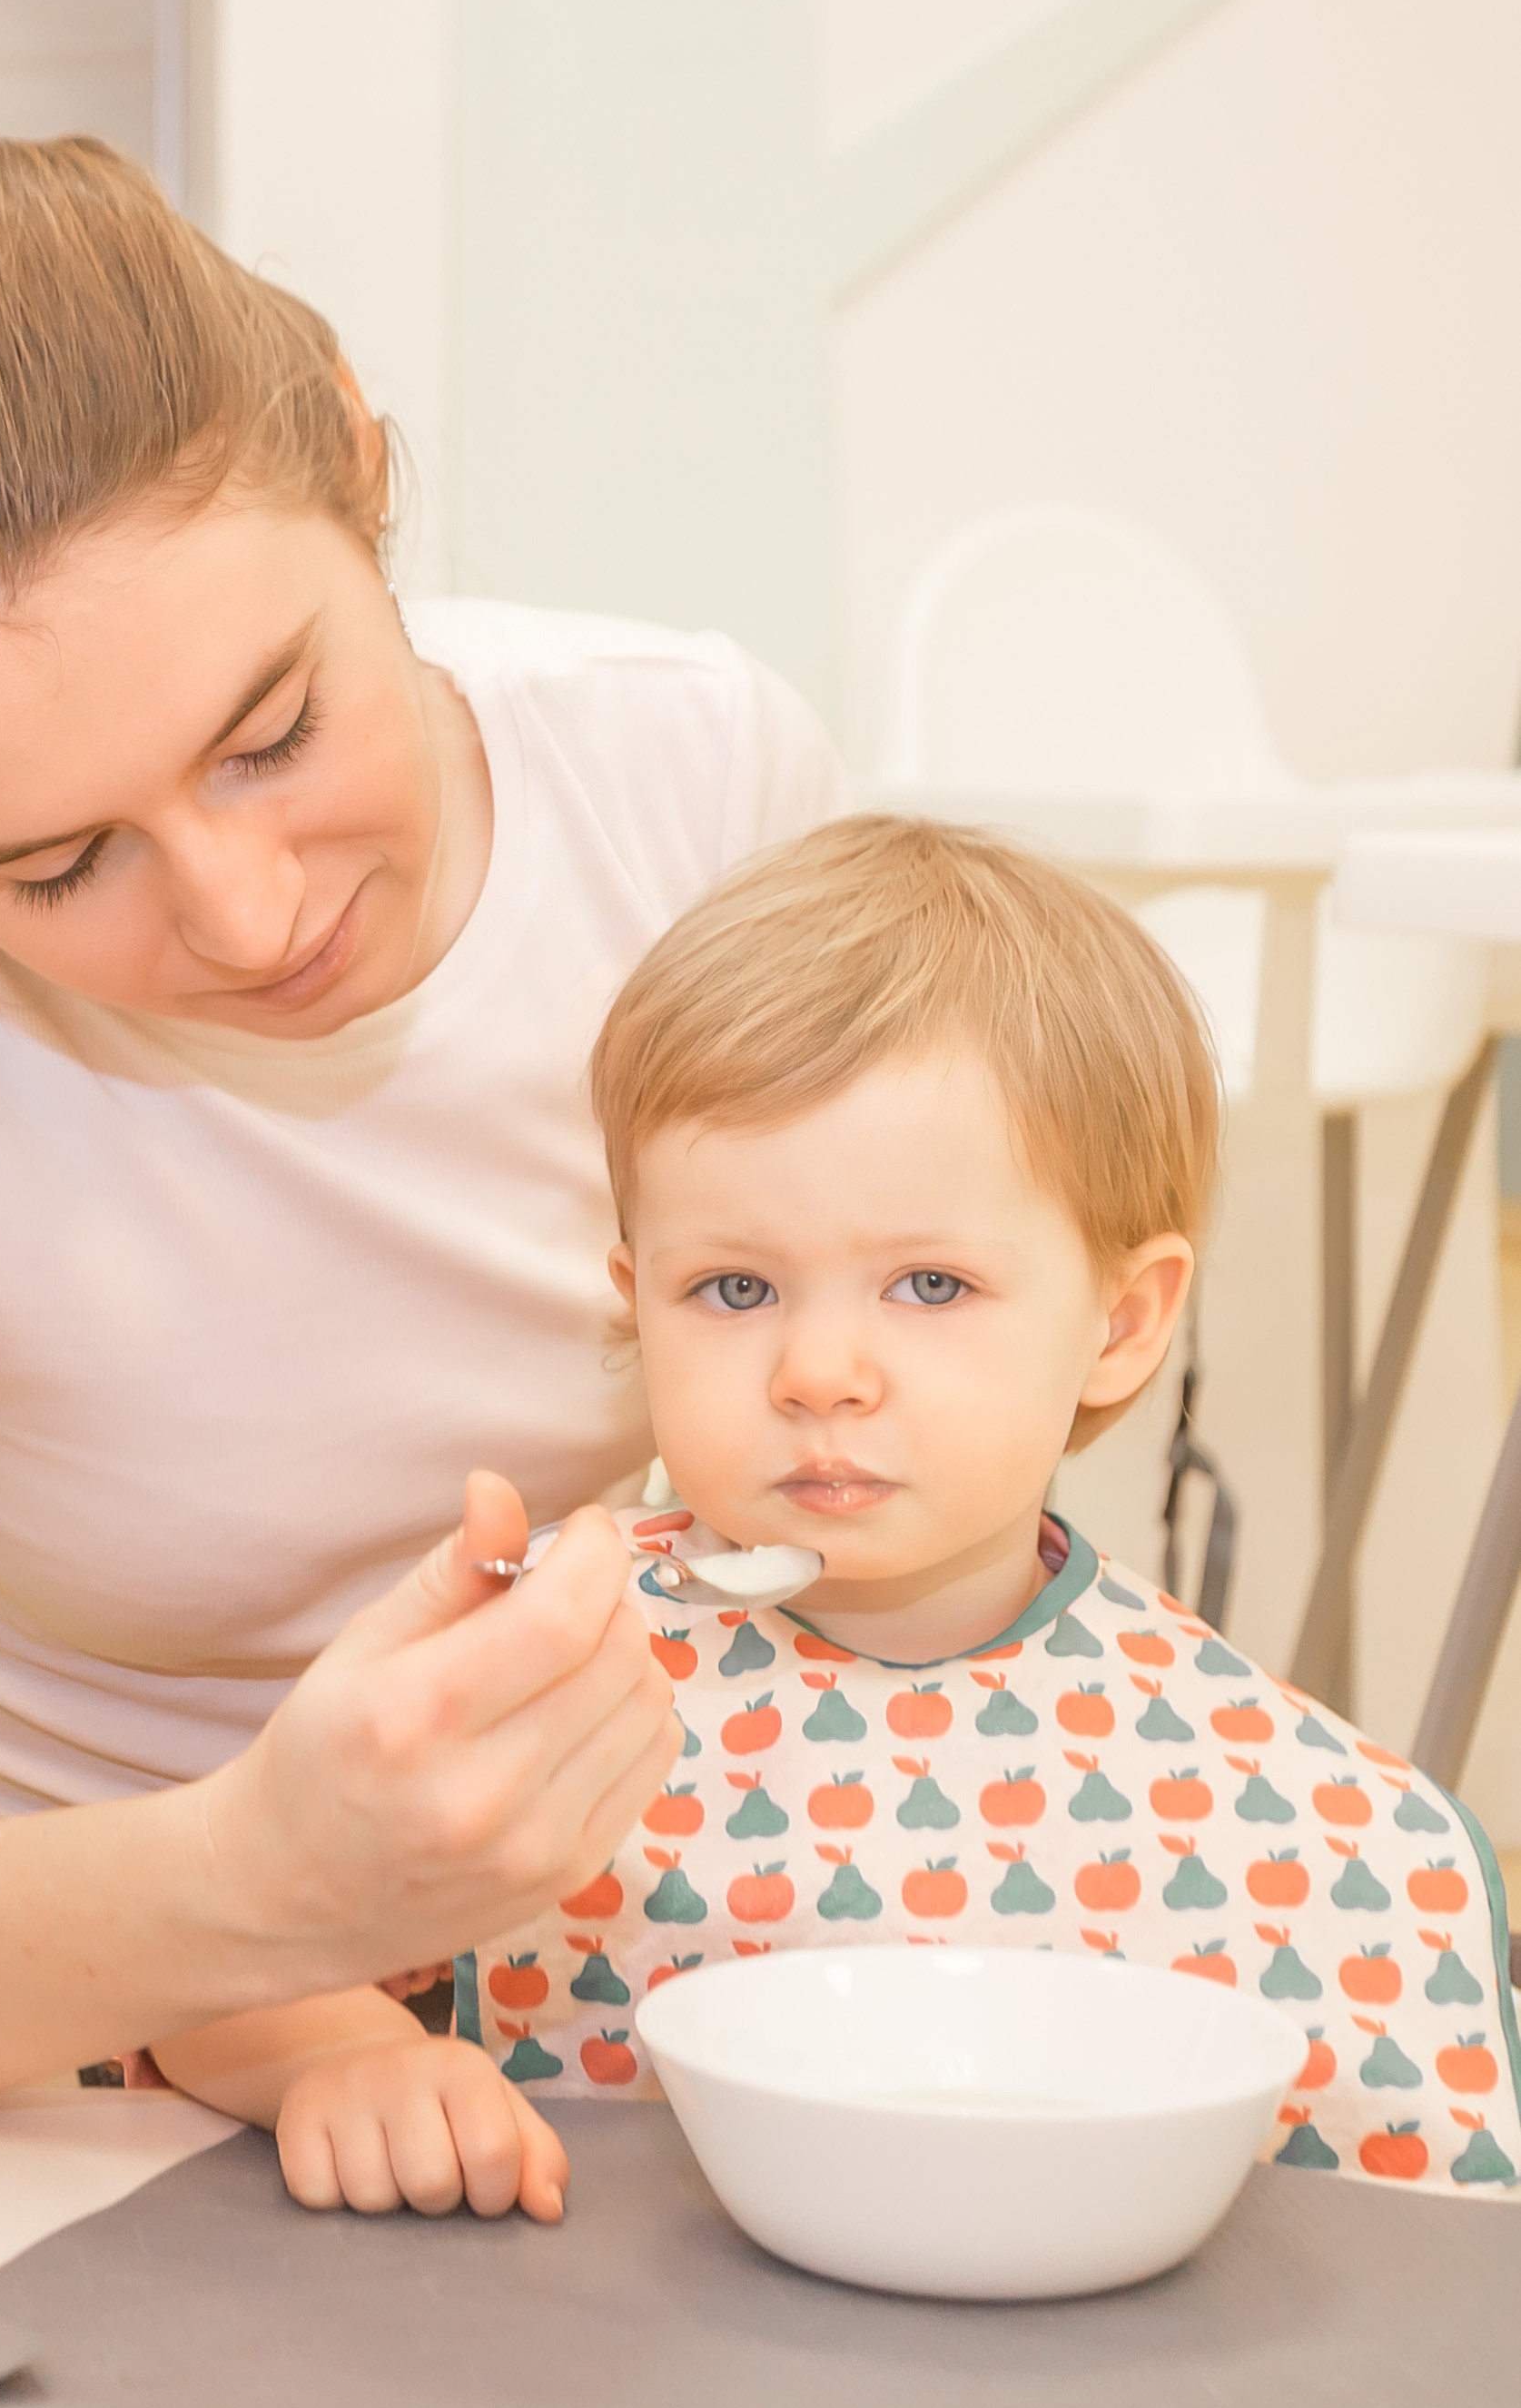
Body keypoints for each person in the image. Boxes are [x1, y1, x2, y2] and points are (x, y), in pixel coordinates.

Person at [0, 134, 849, 2169]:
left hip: (639, 1992)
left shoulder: (692, 773)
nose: (250, 914)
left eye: (272, 732)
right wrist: (253, 1904)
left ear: (357, 464)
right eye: (51, 865)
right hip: (57, 2089)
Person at [250, 818, 1520, 2200]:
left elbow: (1423, 2274)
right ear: (634, 1298)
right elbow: (212, 1968)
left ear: (1122, 1320)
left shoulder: (1308, 1838)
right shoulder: (528, 1673)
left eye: (927, 1287)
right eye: (733, 1289)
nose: (817, 1375)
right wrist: (339, 2053)